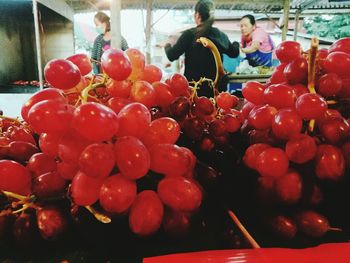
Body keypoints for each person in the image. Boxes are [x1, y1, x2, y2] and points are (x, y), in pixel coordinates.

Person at [163, 0, 240, 97]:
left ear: (197, 15)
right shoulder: (220, 35)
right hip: (215, 88)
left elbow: (172, 55)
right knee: (216, 111)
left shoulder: (190, 34)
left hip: (194, 89)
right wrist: (236, 43)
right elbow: (234, 53)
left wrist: (167, 45)